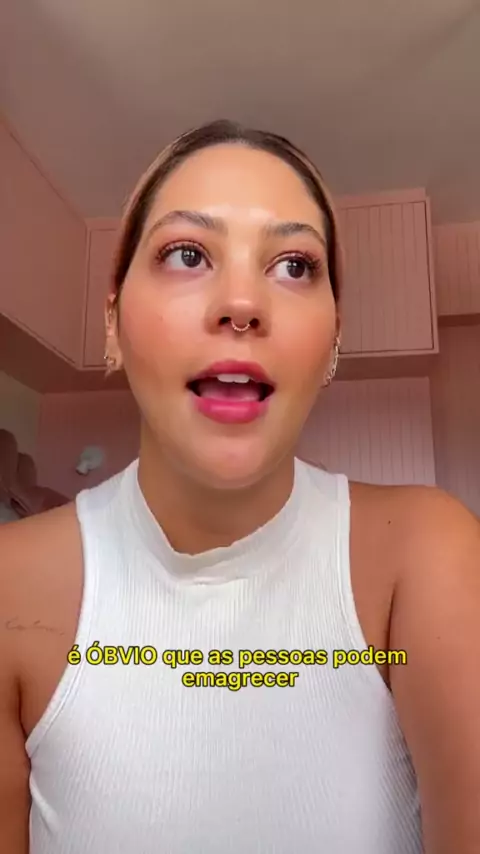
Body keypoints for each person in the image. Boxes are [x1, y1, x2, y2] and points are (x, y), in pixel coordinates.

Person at [0, 119, 478, 854]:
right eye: (188, 254)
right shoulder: (10, 584)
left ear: (334, 340)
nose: (242, 304)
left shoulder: (429, 554)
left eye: (294, 265)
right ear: (113, 321)